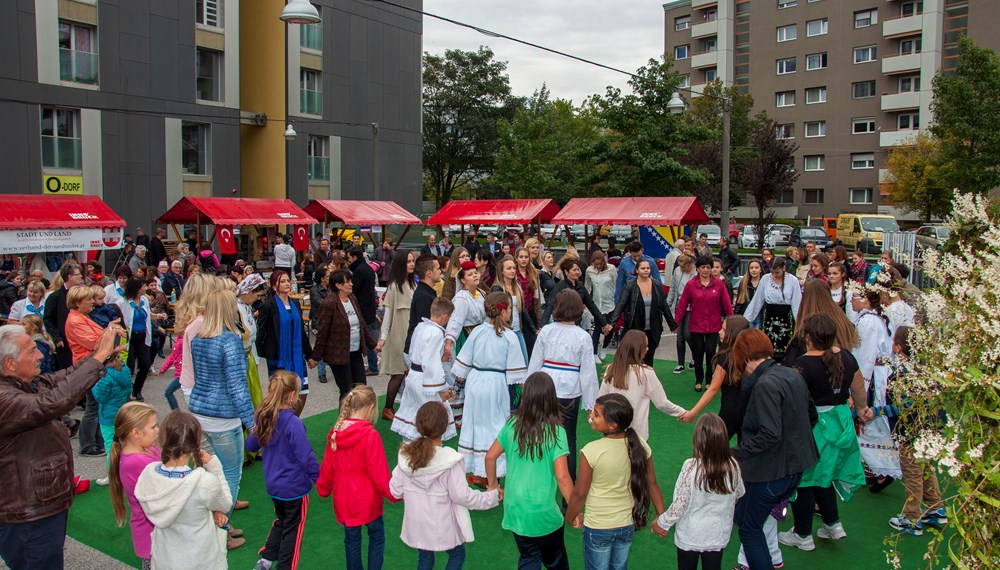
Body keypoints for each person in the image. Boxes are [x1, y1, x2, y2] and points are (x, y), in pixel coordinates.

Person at [0, 323, 122, 570]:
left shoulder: (22, 382)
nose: (41, 356)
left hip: (39, 503)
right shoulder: (5, 397)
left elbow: (59, 379)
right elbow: (51, 402)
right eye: (32, 351)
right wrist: (97, 359)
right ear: (9, 364)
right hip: (27, 512)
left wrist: (98, 357)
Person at [778, 314, 870, 552]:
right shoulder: (847, 358)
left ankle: (802, 533)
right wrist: (861, 408)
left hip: (813, 426)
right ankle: (832, 522)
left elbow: (789, 399)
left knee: (805, 480)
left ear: (807, 337)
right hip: (840, 423)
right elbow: (858, 388)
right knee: (825, 474)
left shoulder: (801, 365)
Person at [728, 329, 819, 570]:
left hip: (772, 471)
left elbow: (769, 433)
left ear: (745, 357)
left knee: (749, 530)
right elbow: (811, 416)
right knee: (743, 517)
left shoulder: (765, 383)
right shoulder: (791, 374)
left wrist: (732, 454)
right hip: (794, 467)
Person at [390, 401, 500, 569]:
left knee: (424, 558)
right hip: (444, 525)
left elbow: (395, 490)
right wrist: (491, 496)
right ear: (445, 428)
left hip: (418, 523)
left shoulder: (407, 456)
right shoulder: (451, 460)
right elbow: (463, 496)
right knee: (457, 554)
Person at [564, 394, 665, 569]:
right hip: (627, 524)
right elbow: (652, 483)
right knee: (619, 566)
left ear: (612, 425)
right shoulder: (640, 445)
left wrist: (571, 516)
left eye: (596, 415)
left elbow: (580, 493)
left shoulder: (591, 451)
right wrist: (661, 515)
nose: (590, 417)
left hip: (598, 526)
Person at [485, 373, 574, 570]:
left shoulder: (511, 425)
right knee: (555, 560)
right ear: (551, 398)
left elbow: (490, 457)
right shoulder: (556, 431)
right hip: (543, 511)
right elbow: (562, 476)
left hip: (515, 508)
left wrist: (493, 486)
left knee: (528, 557)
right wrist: (575, 510)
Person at [189, 288, 255, 550]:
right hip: (224, 417)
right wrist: (251, 421)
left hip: (199, 412)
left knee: (207, 474)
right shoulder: (229, 341)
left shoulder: (199, 338)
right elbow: (237, 386)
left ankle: (217, 527)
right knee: (229, 477)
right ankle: (222, 529)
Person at [134, 411, 232, 570]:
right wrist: (215, 468)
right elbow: (225, 504)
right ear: (195, 443)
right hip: (201, 561)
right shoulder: (203, 482)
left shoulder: (148, 475)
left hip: (164, 558)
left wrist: (211, 510)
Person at [316, 385, 397, 570]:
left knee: (351, 540)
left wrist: (323, 488)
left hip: (344, 500)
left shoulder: (335, 434)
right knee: (377, 537)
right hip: (368, 501)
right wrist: (394, 494)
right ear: (370, 409)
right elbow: (380, 473)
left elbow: (327, 467)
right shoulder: (370, 435)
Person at [246, 372, 321, 570]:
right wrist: (320, 479)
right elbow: (306, 457)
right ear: (292, 395)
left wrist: (257, 427)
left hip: (274, 485)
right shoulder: (293, 423)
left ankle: (266, 560)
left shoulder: (264, 416)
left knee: (282, 520)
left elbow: (251, 445)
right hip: (295, 488)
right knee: (293, 532)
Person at [453, 291, 528, 485]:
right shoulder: (509, 336)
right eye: (510, 308)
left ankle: (481, 471)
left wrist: (458, 386)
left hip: (475, 382)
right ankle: (492, 476)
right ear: (503, 312)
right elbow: (517, 375)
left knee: (476, 423)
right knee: (496, 426)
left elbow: (462, 366)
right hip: (496, 384)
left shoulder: (477, 331)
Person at [652, 414, 745, 570]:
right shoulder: (733, 465)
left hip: (690, 534)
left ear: (698, 440)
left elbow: (680, 503)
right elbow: (739, 493)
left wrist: (662, 523)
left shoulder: (691, 466)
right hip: (718, 534)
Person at [528, 290, 600, 480]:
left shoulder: (546, 331)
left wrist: (528, 392)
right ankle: (568, 488)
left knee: (541, 434)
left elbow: (535, 363)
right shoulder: (583, 336)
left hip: (544, 388)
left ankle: (542, 478)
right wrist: (592, 404)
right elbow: (588, 373)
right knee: (568, 438)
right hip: (569, 390)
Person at [886, 326, 947, 537]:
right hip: (929, 432)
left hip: (910, 433)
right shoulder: (927, 372)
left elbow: (902, 406)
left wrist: (874, 411)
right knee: (927, 468)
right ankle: (935, 507)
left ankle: (911, 518)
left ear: (898, 347)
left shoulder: (900, 376)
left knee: (912, 473)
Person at [849, 288, 901, 487]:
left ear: (865, 300)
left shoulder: (869, 322)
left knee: (870, 421)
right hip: (875, 375)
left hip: (872, 376)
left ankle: (882, 467)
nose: (851, 301)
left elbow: (866, 357)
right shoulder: (871, 318)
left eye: (854, 297)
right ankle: (873, 467)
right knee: (870, 425)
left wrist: (857, 388)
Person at [391, 298, 457, 442]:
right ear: (445, 316)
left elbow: (414, 352)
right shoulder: (436, 333)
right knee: (430, 416)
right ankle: (426, 451)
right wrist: (441, 388)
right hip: (426, 380)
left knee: (413, 410)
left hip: (414, 375)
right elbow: (431, 362)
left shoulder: (420, 326)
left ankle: (409, 446)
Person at [598, 330, 685, 441]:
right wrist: (682, 412)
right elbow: (661, 403)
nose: (647, 349)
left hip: (613, 431)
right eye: (646, 346)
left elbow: (601, 399)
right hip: (637, 434)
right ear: (638, 349)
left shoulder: (611, 368)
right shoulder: (646, 372)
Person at [311, 268, 378, 404]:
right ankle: (344, 422)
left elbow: (362, 325)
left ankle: (358, 421)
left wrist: (373, 345)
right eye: (347, 282)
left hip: (355, 352)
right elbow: (322, 331)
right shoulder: (329, 303)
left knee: (361, 388)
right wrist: (316, 357)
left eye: (351, 281)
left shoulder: (352, 298)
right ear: (338, 285)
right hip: (339, 354)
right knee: (347, 391)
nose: (351, 284)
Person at [680, 316, 751, 441]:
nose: (719, 332)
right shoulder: (750, 355)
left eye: (723, 329)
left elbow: (713, 389)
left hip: (729, 413)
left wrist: (693, 412)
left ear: (732, 334)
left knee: (711, 449)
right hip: (748, 412)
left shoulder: (725, 357)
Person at [108, 402, 160, 568]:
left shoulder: (146, 449)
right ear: (136, 433)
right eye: (153, 427)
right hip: (152, 536)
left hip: (155, 533)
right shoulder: (137, 462)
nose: (157, 430)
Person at [65, 285, 112, 457]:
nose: (93, 302)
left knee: (97, 405)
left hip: (94, 365)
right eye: (89, 300)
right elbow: (94, 343)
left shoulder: (82, 317)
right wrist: (110, 332)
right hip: (87, 367)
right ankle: (87, 446)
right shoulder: (76, 320)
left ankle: (97, 443)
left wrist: (109, 330)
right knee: (92, 407)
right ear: (78, 303)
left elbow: (100, 335)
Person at [674, 257, 734, 392]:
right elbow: (683, 304)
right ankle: (698, 379)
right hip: (696, 324)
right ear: (698, 269)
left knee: (711, 352)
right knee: (698, 352)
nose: (706, 270)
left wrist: (731, 320)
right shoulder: (691, 284)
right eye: (703, 267)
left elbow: (726, 304)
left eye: (708, 267)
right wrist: (676, 322)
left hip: (714, 325)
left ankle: (709, 379)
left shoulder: (719, 284)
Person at [256, 271, 312, 411]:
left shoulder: (295, 303)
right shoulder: (268, 306)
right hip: (278, 358)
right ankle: (278, 424)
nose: (287, 283)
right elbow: (261, 333)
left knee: (302, 393)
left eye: (288, 281)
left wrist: (310, 355)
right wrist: (259, 354)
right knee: (280, 395)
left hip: (298, 356)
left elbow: (301, 331)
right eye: (283, 281)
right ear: (274, 286)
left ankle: (293, 422)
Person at [444, 260, 487, 426]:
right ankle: (457, 414)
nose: (475, 275)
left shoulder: (480, 294)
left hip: (478, 337)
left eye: (475, 272)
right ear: (463, 280)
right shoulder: (461, 299)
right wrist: (448, 344)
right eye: (470, 274)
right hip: (466, 338)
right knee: (462, 376)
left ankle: (471, 410)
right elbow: (455, 323)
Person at [377, 251, 417, 420]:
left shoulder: (413, 284)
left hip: (411, 334)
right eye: (408, 261)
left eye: (412, 261)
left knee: (409, 371)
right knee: (398, 372)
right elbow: (387, 314)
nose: (412, 264)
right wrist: (383, 338)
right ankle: (387, 408)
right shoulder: (394, 286)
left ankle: (404, 406)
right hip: (397, 335)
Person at [742, 258, 802, 361]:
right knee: (769, 346)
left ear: (784, 268)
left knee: (785, 346)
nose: (774, 275)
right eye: (772, 272)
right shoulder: (765, 279)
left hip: (786, 318)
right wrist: (745, 320)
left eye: (777, 272)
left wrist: (800, 323)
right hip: (769, 318)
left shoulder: (793, 280)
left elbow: (797, 303)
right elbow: (757, 300)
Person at [542, 258, 611, 339]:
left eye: (578, 270)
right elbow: (550, 305)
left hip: (577, 324)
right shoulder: (560, 286)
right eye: (574, 270)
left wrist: (604, 324)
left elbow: (591, 306)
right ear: (566, 272)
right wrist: (542, 326)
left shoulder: (580, 286)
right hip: (562, 326)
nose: (577, 272)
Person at [91, 354, 133, 486]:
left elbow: (100, 397)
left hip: (109, 417)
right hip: (123, 413)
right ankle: (129, 471)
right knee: (126, 444)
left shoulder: (104, 378)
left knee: (111, 446)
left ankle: (112, 476)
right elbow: (128, 390)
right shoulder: (125, 370)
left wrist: (94, 385)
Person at [119, 277, 157, 401]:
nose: (146, 288)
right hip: (130, 337)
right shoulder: (123, 302)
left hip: (142, 336)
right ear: (137, 289)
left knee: (145, 364)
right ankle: (127, 392)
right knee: (129, 367)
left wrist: (157, 316)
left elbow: (148, 314)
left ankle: (137, 390)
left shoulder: (144, 300)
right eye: (144, 286)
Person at [492, 255, 536, 364]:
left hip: (518, 330)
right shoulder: (497, 288)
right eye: (508, 268)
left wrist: (533, 329)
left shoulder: (517, 285)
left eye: (513, 268)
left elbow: (523, 309)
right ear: (501, 271)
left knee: (525, 362)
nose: (512, 271)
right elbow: (495, 313)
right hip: (504, 331)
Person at [44, 262, 85, 371]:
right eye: (78, 274)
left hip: (83, 341)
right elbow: (48, 320)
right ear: (69, 277)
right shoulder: (55, 297)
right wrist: (57, 338)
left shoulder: (84, 294)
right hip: (65, 345)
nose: (81, 276)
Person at [347, 246, 380, 376]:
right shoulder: (368, 268)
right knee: (369, 337)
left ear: (355, 257)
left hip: (362, 308)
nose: (348, 261)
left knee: (367, 338)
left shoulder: (358, 271)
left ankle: (372, 366)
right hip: (369, 307)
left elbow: (354, 290)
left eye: (349, 258)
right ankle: (372, 364)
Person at [404, 257, 442, 358]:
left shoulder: (428, 292)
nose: (440, 271)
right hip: (418, 351)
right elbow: (424, 327)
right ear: (429, 273)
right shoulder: (424, 296)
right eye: (438, 269)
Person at [585, 251, 617, 361]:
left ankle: (604, 347)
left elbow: (616, 284)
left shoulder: (611, 269)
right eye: (596, 264)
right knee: (597, 328)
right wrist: (585, 300)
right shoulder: (589, 270)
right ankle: (594, 353)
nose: (598, 266)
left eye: (600, 264)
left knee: (610, 328)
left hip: (610, 304)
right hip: (597, 305)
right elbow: (587, 287)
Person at [514, 246, 543, 353]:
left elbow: (537, 297)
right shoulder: (513, 273)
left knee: (531, 343)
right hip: (517, 313)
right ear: (516, 258)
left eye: (526, 257)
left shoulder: (533, 273)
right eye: (521, 257)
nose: (524, 259)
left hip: (530, 312)